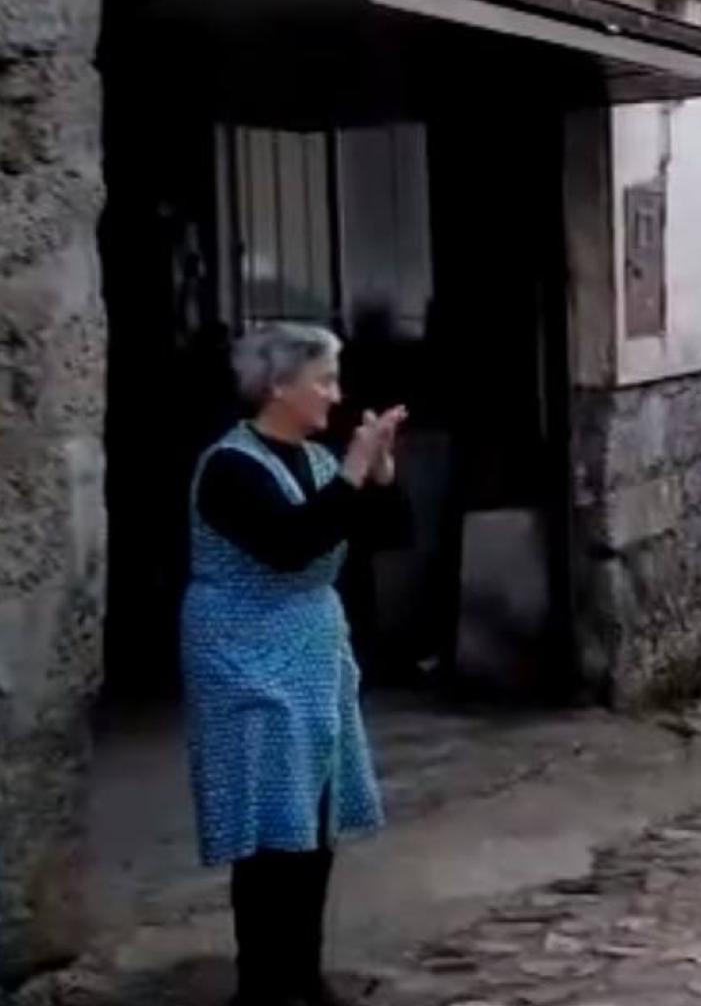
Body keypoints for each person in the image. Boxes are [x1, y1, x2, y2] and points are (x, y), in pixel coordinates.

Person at [182, 324, 408, 1005]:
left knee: (312, 821)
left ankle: (302, 976)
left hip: (309, 651)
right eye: (324, 380)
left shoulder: (313, 460)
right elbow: (289, 544)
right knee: (266, 822)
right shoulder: (230, 467)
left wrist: (381, 474)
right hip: (242, 652)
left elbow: (386, 536)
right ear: (278, 385)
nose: (336, 396)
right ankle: (262, 986)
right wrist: (351, 472)